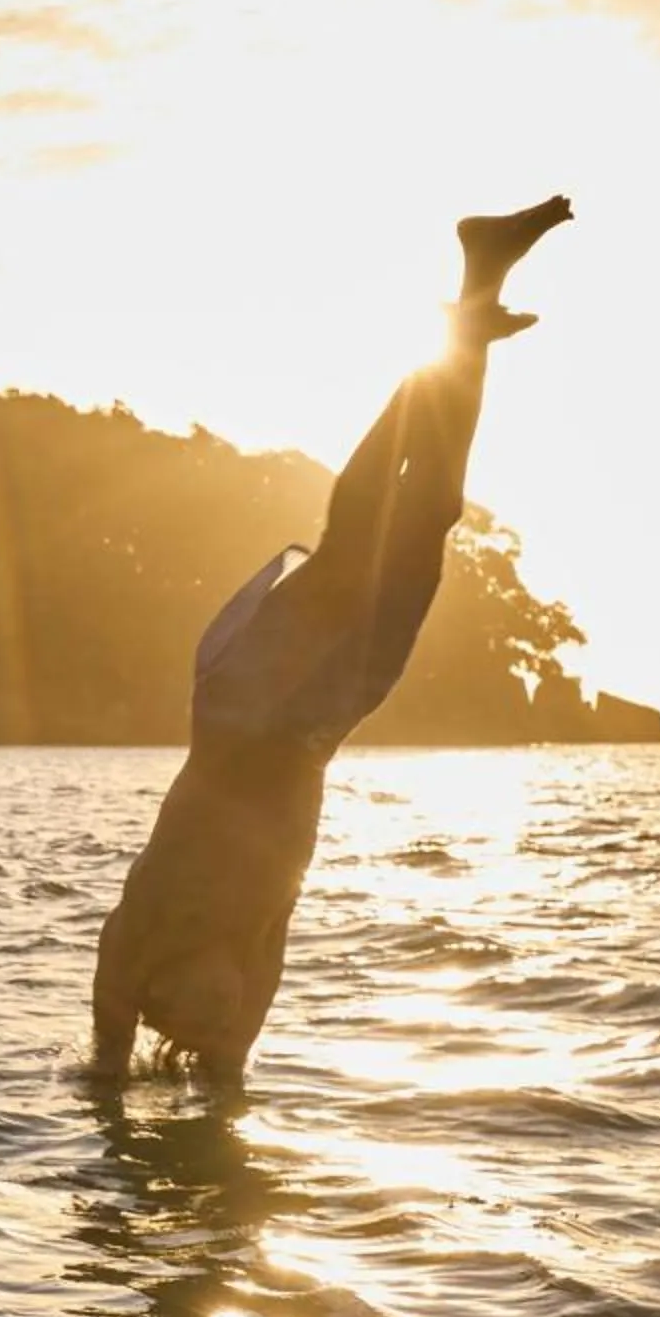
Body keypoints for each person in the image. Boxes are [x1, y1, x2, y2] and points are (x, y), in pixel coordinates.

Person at [89, 195, 572, 1085]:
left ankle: (454, 335)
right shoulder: (240, 996)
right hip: (319, 726)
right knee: (428, 519)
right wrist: (218, 1075)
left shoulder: (134, 953)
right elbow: (224, 1068)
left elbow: (104, 1063)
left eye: (210, 1006)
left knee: (359, 535)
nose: (230, 1007)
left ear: (159, 989)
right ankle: (477, 289)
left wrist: (114, 1073)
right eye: (229, 1012)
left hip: (248, 709)